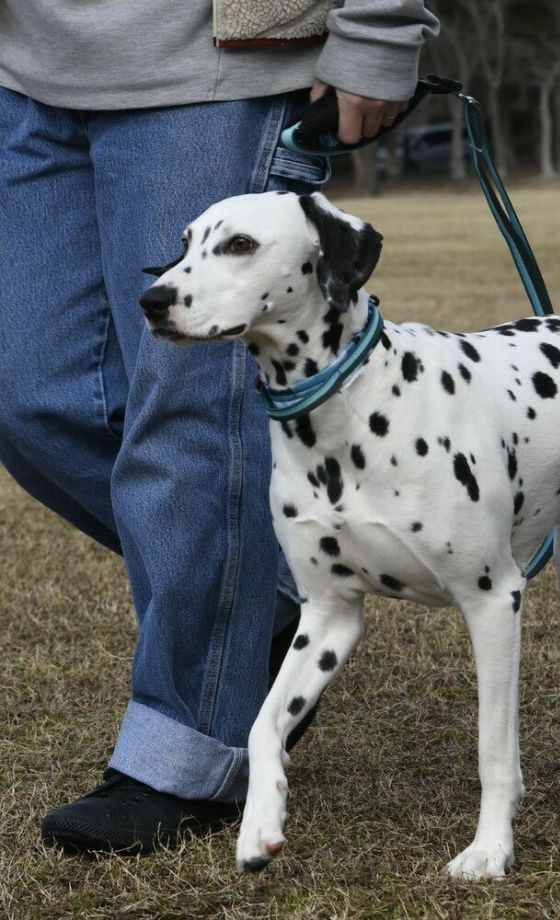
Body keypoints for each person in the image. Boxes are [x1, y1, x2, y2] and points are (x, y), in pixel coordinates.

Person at [0, 0, 437, 854]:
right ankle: (262, 588)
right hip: (24, 65)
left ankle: (187, 752)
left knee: (189, 414)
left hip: (213, 62)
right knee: (32, 398)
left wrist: (380, 25)